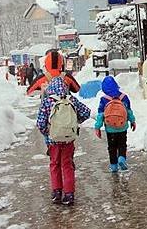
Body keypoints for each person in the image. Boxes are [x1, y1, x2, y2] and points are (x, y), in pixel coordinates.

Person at [36, 77, 91, 205]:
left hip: (53, 141)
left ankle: (57, 193)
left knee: (54, 165)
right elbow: (86, 113)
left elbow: (40, 123)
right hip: (68, 140)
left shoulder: (47, 101)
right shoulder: (71, 99)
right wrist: (74, 122)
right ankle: (69, 194)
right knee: (67, 165)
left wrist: (48, 133)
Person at [94, 76, 136, 173]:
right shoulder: (123, 97)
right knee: (122, 144)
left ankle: (113, 166)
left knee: (112, 147)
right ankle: (122, 158)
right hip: (122, 127)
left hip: (110, 128)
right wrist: (132, 121)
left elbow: (101, 115)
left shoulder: (104, 99)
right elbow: (128, 112)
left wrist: (97, 127)